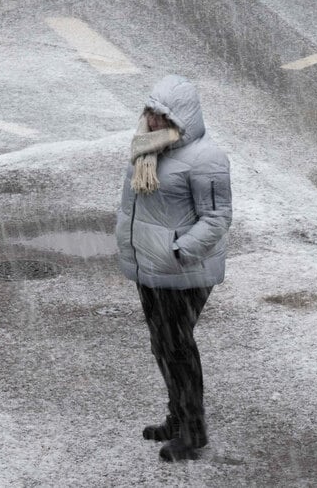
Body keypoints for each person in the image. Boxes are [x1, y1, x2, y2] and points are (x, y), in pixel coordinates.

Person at [115, 74, 233, 462]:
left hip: (182, 272)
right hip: (152, 267)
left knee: (178, 348)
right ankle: (177, 418)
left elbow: (216, 219)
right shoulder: (147, 149)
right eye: (150, 112)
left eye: (162, 116)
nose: (152, 121)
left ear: (182, 117)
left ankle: (193, 432)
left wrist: (178, 253)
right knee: (163, 346)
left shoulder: (206, 158)